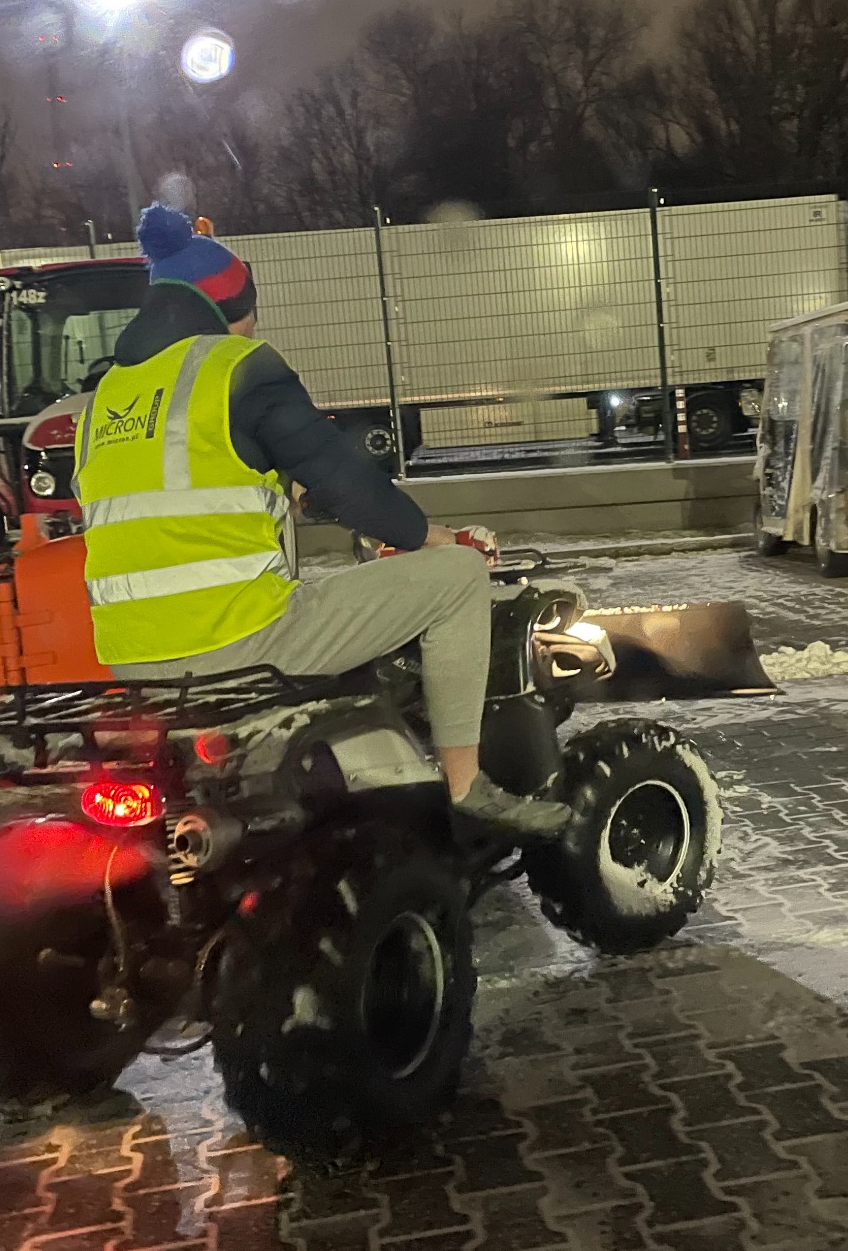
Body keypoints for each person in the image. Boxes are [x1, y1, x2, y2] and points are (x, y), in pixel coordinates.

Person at [74, 204, 568, 838]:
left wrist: (303, 505)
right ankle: (469, 787)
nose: (252, 330)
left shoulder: (104, 400)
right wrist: (431, 536)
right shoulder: (233, 367)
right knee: (457, 578)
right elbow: (345, 475)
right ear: (227, 309)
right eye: (250, 316)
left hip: (131, 659)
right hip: (236, 641)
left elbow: (186, 506)